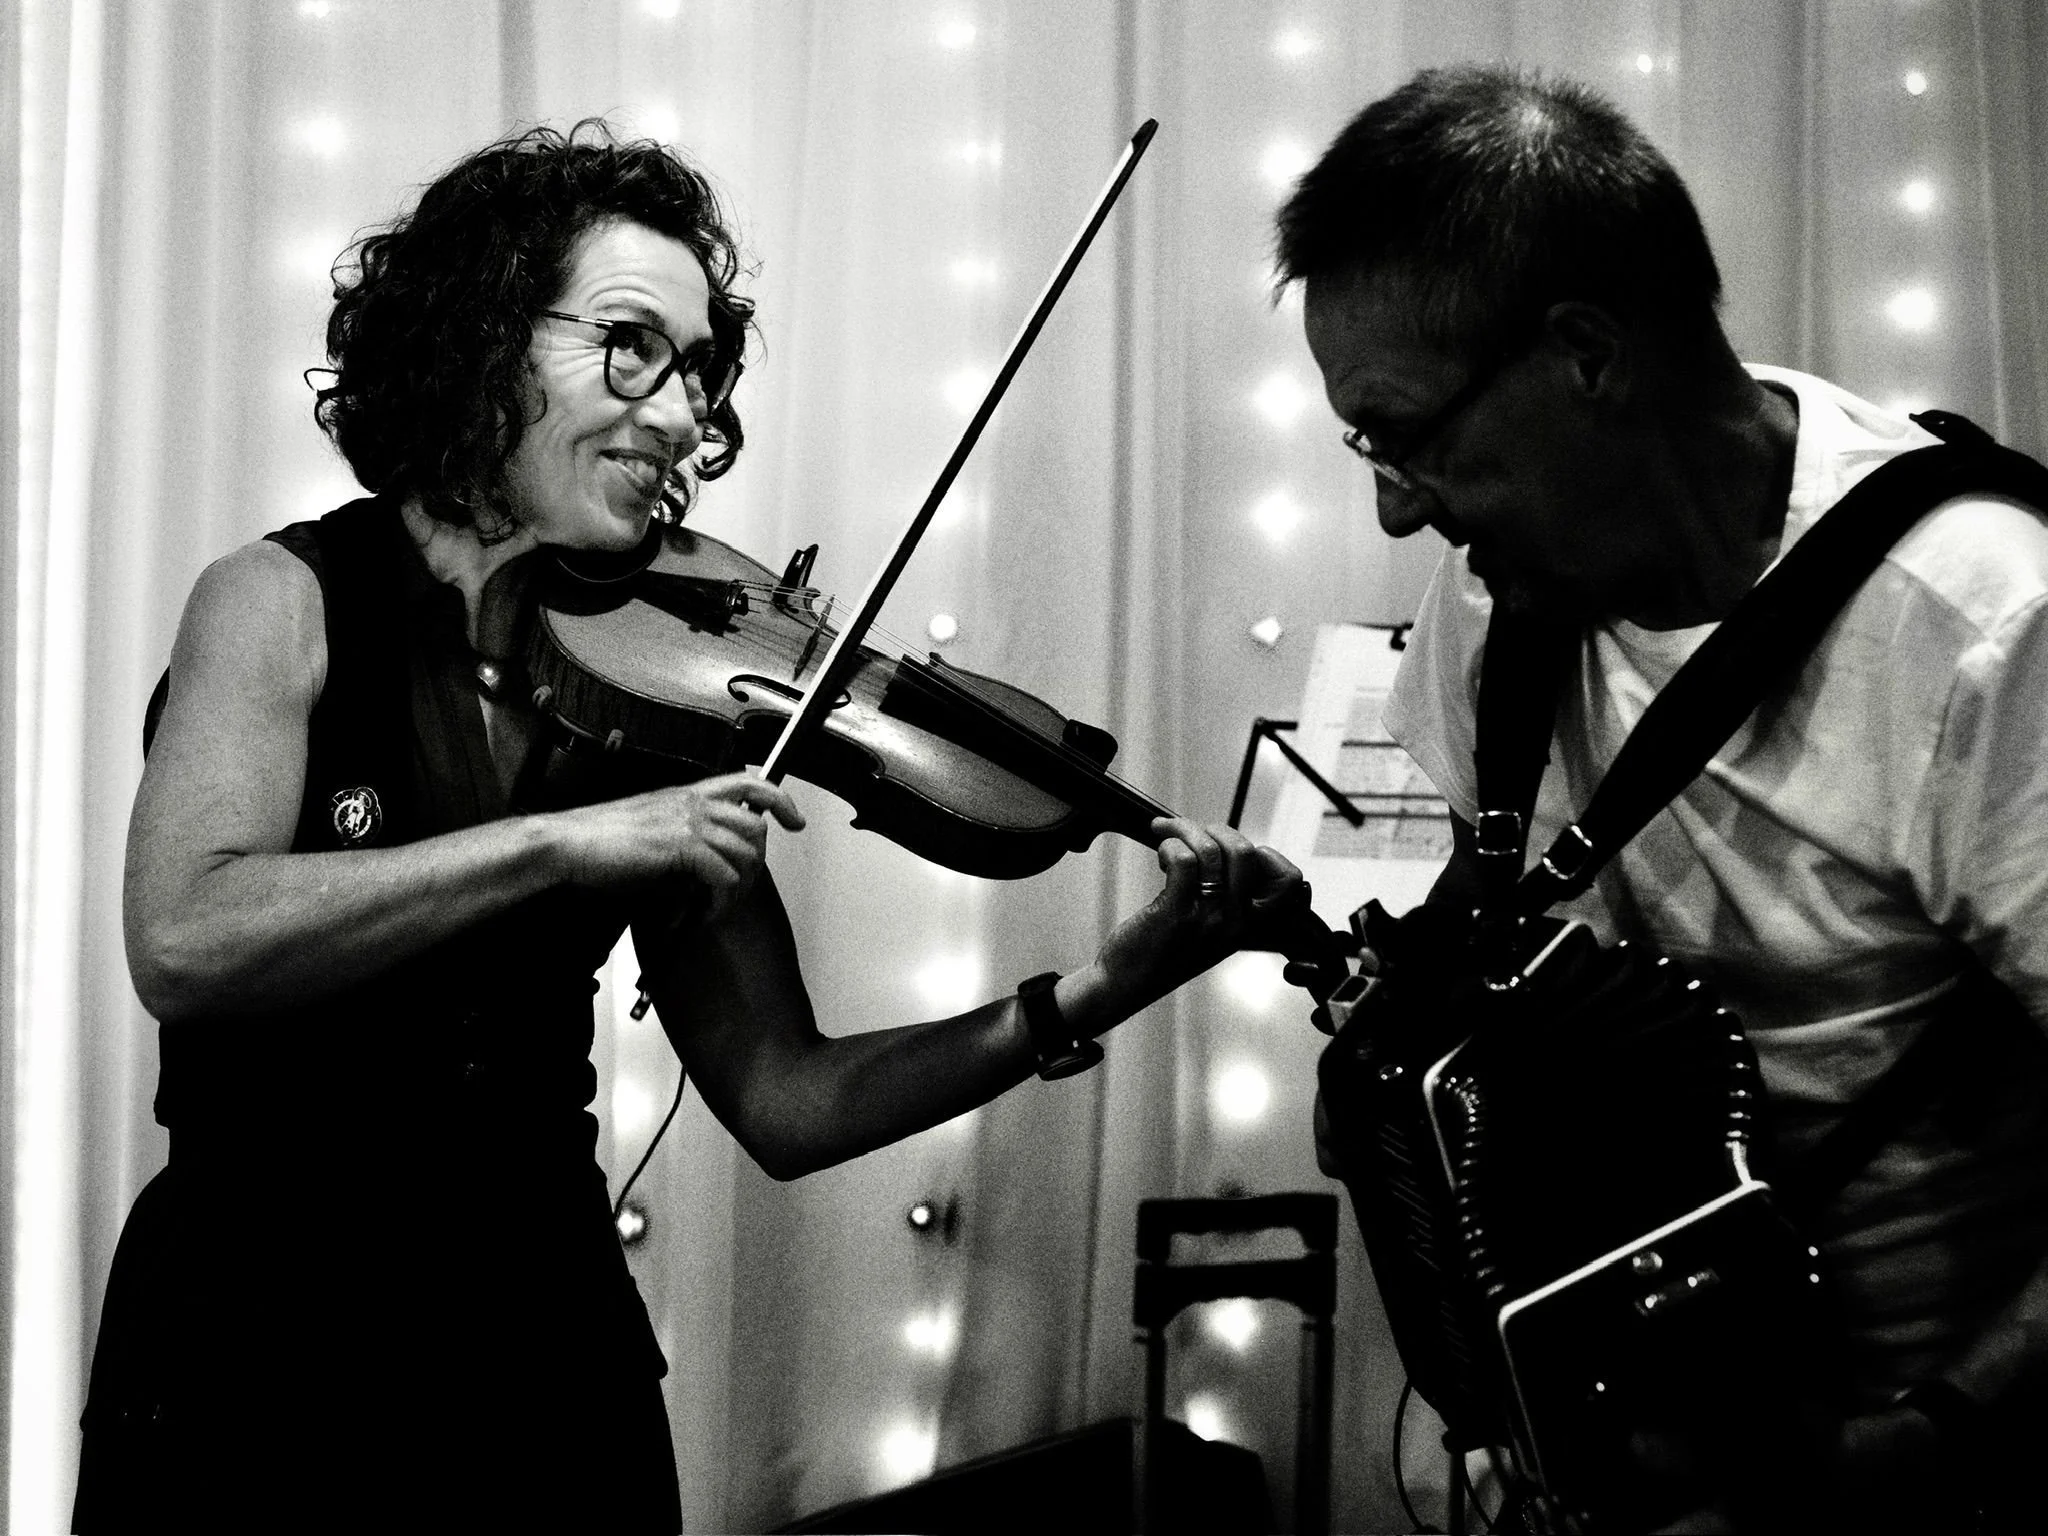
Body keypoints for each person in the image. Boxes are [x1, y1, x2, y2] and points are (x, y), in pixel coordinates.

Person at [73, 122, 1305, 1534]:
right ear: (483, 338)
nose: (677, 415)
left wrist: (1083, 997)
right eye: (628, 347)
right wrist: (565, 846)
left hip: (541, 1361)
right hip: (259, 1349)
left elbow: (787, 1097)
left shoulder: (657, 692)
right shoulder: (277, 602)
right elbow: (185, 935)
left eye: (699, 369)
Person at [1279, 64, 2048, 1530]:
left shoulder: (1986, 627)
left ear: (1584, 354)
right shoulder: (1487, 611)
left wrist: (1917, 1450)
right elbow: (1508, 945)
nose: (1391, 505)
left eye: (1406, 435)